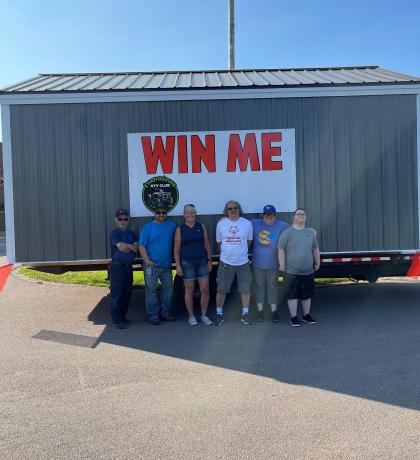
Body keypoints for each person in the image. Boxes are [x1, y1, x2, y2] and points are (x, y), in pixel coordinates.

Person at [278, 208, 320, 327]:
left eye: (303, 214)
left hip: (308, 271)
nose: (301, 215)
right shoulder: (287, 232)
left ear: (306, 217)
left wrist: (318, 262)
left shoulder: (310, 233)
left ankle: (306, 315)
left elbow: (315, 249)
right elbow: (280, 249)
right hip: (291, 271)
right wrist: (282, 265)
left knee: (307, 295)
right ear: (294, 217)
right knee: (292, 295)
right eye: (299, 214)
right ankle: (293, 317)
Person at [215, 200, 253, 326]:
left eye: (235, 208)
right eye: (230, 208)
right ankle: (219, 314)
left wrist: (238, 252)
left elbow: (249, 241)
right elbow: (219, 242)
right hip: (226, 262)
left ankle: (245, 314)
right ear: (226, 211)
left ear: (239, 209)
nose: (233, 210)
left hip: (243, 262)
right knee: (222, 289)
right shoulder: (221, 224)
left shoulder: (247, 224)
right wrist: (229, 253)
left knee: (245, 289)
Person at [174, 204, 213, 326]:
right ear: (184, 215)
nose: (190, 214)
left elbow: (207, 244)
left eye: (192, 212)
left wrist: (209, 260)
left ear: (195, 214)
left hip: (202, 261)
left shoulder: (201, 227)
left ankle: (203, 315)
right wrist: (178, 265)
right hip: (187, 263)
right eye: (187, 212)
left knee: (205, 290)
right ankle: (191, 316)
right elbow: (176, 249)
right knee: (189, 290)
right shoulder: (180, 229)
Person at [139, 203, 177, 325]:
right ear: (154, 213)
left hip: (166, 266)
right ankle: (153, 314)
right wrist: (147, 261)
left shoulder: (172, 226)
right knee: (151, 290)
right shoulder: (147, 228)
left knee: (168, 290)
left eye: (163, 212)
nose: (161, 215)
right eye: (158, 212)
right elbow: (141, 246)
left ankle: (165, 312)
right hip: (151, 266)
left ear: (166, 213)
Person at [251, 205, 289, 322]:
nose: (268, 217)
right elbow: (238, 222)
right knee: (259, 286)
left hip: (273, 264)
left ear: (274, 215)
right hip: (258, 263)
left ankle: (274, 312)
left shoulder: (282, 225)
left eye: (271, 215)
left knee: (273, 287)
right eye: (266, 214)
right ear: (263, 215)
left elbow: (293, 231)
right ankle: (260, 312)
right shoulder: (255, 223)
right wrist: (224, 220)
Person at [109, 208, 138, 329]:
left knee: (127, 293)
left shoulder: (131, 233)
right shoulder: (114, 233)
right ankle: (117, 320)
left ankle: (123, 317)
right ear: (116, 220)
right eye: (120, 219)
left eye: (125, 219)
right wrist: (129, 246)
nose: (123, 221)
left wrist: (128, 246)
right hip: (117, 268)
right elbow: (121, 247)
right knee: (117, 294)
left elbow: (136, 249)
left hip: (128, 268)